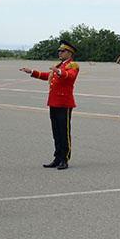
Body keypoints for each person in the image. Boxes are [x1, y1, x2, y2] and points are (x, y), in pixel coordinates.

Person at [20, 40, 78, 170]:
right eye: (59, 51)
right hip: (54, 102)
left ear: (69, 53)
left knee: (64, 132)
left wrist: (58, 71)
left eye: (62, 51)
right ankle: (57, 158)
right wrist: (32, 71)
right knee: (56, 132)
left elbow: (69, 76)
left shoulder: (72, 65)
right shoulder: (59, 65)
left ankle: (64, 158)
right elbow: (47, 76)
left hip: (64, 103)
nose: (59, 53)